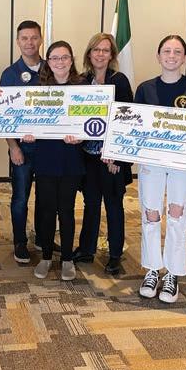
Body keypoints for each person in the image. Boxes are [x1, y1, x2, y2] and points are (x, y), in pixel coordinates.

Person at [134, 35, 186, 303]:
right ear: (158, 56)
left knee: (178, 215)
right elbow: (134, 125)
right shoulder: (145, 89)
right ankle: (152, 269)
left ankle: (173, 273)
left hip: (184, 164)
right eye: (166, 51)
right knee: (151, 214)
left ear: (185, 57)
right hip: (152, 162)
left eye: (177, 52)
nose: (171, 56)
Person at [21, 41, 85, 281]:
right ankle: (46, 257)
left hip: (71, 158)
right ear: (48, 61)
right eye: (55, 58)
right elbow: (26, 119)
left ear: (71, 60)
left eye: (64, 57)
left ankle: (67, 258)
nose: (60, 62)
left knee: (66, 210)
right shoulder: (38, 89)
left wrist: (82, 136)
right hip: (46, 157)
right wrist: (27, 134)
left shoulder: (83, 88)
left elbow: (92, 121)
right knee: (47, 210)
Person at [72, 33, 133, 275]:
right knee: (91, 203)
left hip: (111, 159)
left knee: (114, 204)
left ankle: (115, 254)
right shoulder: (81, 81)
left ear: (112, 55)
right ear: (89, 54)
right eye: (96, 50)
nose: (100, 54)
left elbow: (127, 119)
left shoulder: (120, 81)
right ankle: (87, 249)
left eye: (105, 50)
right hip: (88, 155)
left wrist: (116, 154)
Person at [0, 20, 48, 264]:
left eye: (34, 37)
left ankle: (42, 237)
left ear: (41, 39)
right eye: (24, 38)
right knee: (20, 198)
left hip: (49, 148)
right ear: (17, 41)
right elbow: (3, 115)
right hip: (22, 149)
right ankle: (20, 241)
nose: (30, 42)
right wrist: (13, 147)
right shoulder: (10, 74)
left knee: (46, 198)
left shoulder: (52, 68)